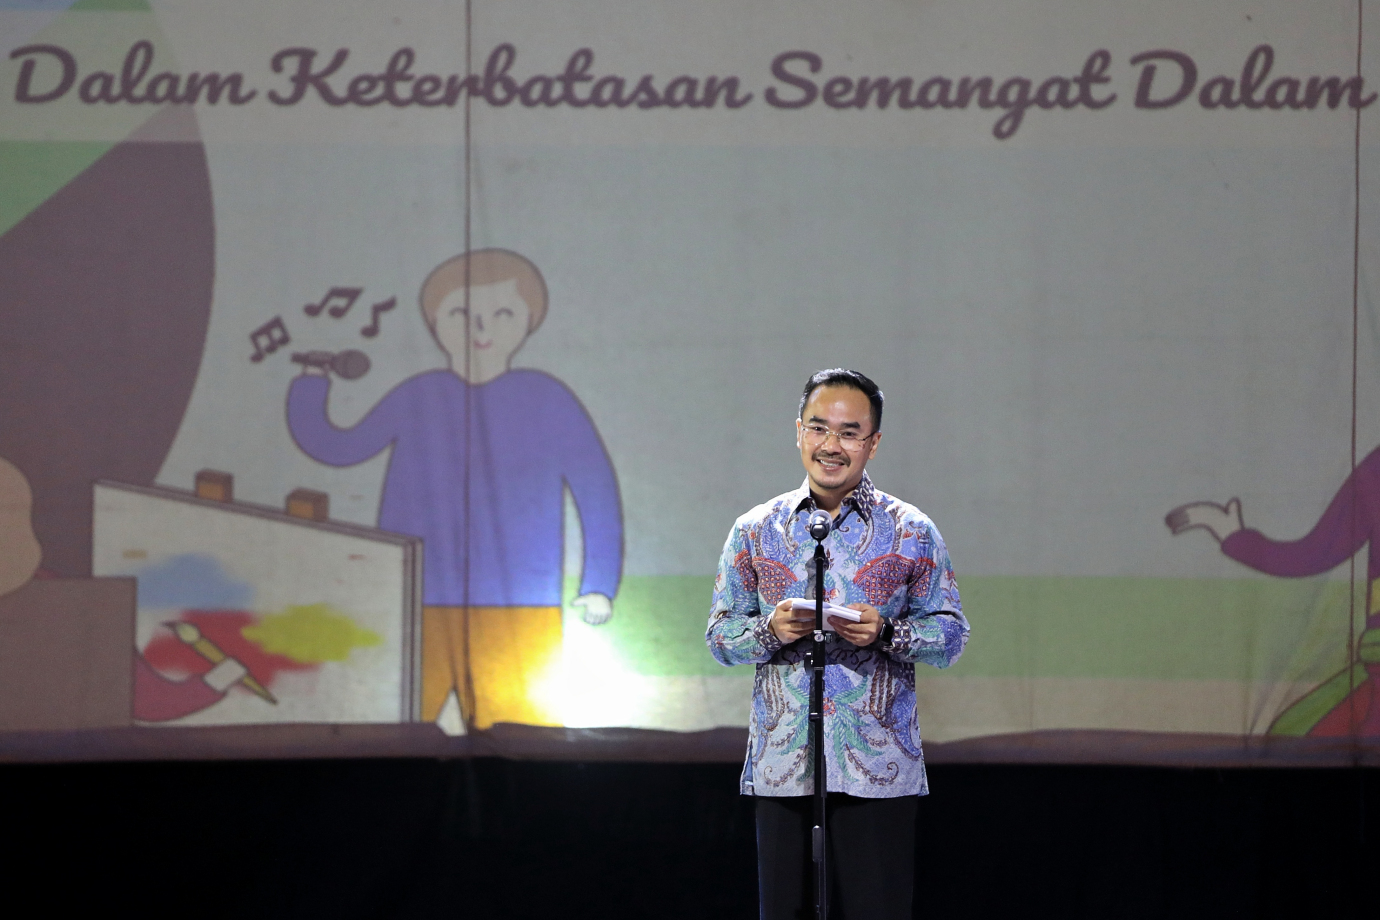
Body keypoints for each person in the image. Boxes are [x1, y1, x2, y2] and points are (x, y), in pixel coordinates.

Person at [287, 248, 623, 730]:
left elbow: (596, 491)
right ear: (435, 324)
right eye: (460, 314)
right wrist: (310, 384)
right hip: (416, 597)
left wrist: (598, 584)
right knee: (399, 728)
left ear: (528, 323)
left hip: (517, 605)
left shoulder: (547, 399)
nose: (480, 328)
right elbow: (340, 446)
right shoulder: (419, 394)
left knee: (518, 733)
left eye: (502, 313)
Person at [706, 368, 969, 920]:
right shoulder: (755, 529)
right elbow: (720, 637)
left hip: (879, 767)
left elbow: (950, 636)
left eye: (850, 433)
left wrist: (888, 633)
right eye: (819, 428)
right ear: (798, 431)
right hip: (783, 766)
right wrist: (770, 630)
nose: (831, 445)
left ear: (873, 443)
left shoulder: (912, 530)